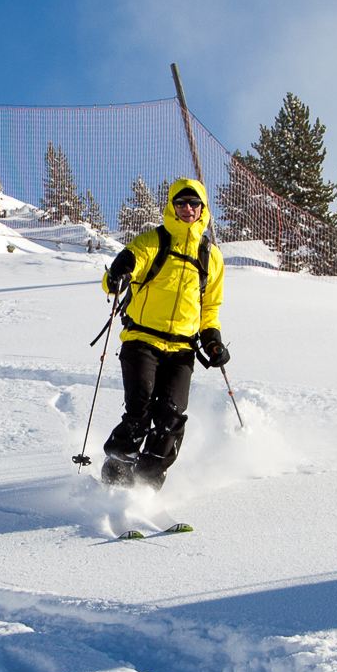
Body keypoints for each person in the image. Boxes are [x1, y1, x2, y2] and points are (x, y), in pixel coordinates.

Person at [100, 177, 230, 488]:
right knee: (141, 406)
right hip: (142, 340)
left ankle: (147, 481)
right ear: (171, 206)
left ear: (203, 208)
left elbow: (210, 306)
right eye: (181, 203)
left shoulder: (211, 256)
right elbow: (116, 278)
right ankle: (117, 469)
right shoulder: (152, 242)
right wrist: (118, 273)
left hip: (182, 348)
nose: (188, 209)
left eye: (194, 203)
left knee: (172, 415)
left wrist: (212, 340)